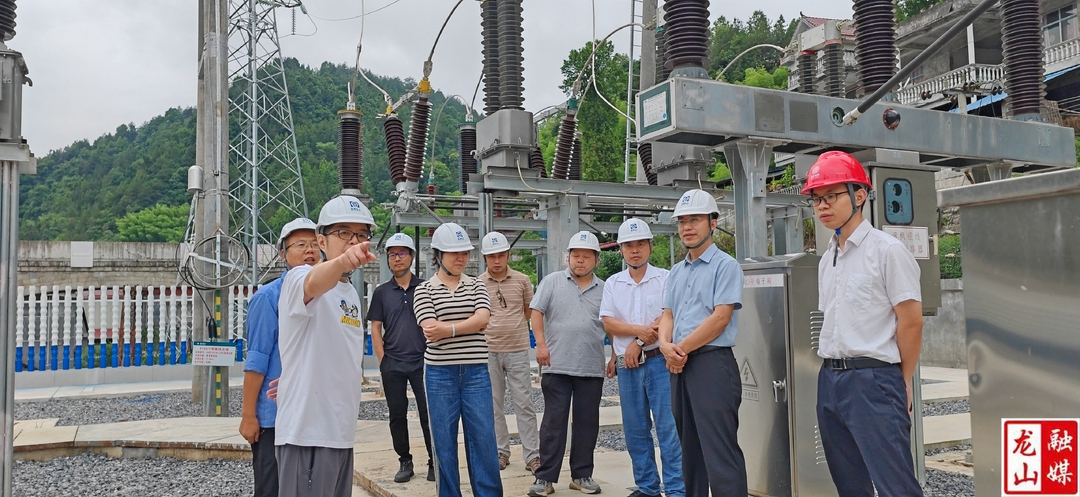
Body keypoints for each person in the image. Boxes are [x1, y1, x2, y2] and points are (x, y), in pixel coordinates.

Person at [803, 151, 924, 497]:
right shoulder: (827, 259)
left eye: (831, 196)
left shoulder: (887, 251)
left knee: (894, 483)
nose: (823, 206)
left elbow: (911, 322)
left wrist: (901, 381)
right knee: (849, 483)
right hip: (830, 379)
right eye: (816, 199)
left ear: (859, 195)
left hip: (874, 379)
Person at [274, 195, 378, 497]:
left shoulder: (351, 294)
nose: (354, 241)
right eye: (343, 233)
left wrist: (298, 374)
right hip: (306, 433)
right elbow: (312, 285)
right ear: (321, 240)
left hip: (341, 432)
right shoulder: (299, 276)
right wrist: (342, 261)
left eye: (361, 234)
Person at [657, 189, 747, 497]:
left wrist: (678, 349)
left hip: (712, 364)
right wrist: (664, 345)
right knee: (690, 450)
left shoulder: (726, 266)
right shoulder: (676, 271)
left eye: (694, 219)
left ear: (713, 222)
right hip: (679, 365)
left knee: (719, 451)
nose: (687, 227)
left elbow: (720, 318)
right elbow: (667, 315)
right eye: (682, 221)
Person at [412, 223, 501, 497]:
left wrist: (448, 328)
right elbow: (430, 329)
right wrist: (467, 324)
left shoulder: (477, 284)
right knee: (443, 441)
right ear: (438, 255)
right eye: (454, 253)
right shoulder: (424, 289)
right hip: (439, 374)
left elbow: (483, 318)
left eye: (464, 252)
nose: (461, 258)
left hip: (476, 372)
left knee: (484, 438)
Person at [601, 219, 684, 497]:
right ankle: (648, 488)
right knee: (635, 430)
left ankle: (676, 489)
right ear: (621, 250)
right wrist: (633, 339)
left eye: (640, 244)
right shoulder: (614, 283)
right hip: (628, 366)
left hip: (660, 361)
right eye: (628, 246)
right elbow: (609, 322)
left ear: (650, 246)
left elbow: (668, 316)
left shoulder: (666, 278)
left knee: (668, 427)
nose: (634, 250)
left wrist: (637, 342)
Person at [239, 217, 318, 497]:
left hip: (311, 415)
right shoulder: (268, 297)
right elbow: (257, 360)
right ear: (283, 254)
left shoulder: (327, 296)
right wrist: (249, 415)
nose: (309, 250)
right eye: (300, 244)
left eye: (314, 244)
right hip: (274, 418)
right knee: (272, 489)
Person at [528, 231, 607, 497]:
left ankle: (581, 475)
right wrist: (540, 344)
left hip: (591, 366)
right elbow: (536, 312)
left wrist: (615, 356)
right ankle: (545, 479)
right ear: (568, 257)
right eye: (576, 255)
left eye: (586, 256)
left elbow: (612, 323)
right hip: (556, 364)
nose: (580, 260)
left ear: (596, 260)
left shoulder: (604, 288)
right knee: (553, 424)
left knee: (587, 423)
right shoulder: (552, 282)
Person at [369, 232, 435, 483]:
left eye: (402, 253)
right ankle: (405, 461)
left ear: (412, 257)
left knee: (429, 414)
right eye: (392, 254)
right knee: (397, 415)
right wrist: (382, 360)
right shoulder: (382, 292)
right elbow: (376, 327)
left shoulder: (426, 288)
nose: (397, 258)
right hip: (393, 363)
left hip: (423, 361)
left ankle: (434, 461)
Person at [479, 231, 540, 474]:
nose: (497, 261)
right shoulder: (478, 283)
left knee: (524, 403)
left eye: (501, 255)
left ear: (508, 255)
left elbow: (528, 311)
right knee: (493, 405)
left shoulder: (522, 280)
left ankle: (532, 455)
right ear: (484, 258)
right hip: (489, 350)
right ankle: (500, 452)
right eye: (491, 256)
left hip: (517, 349)